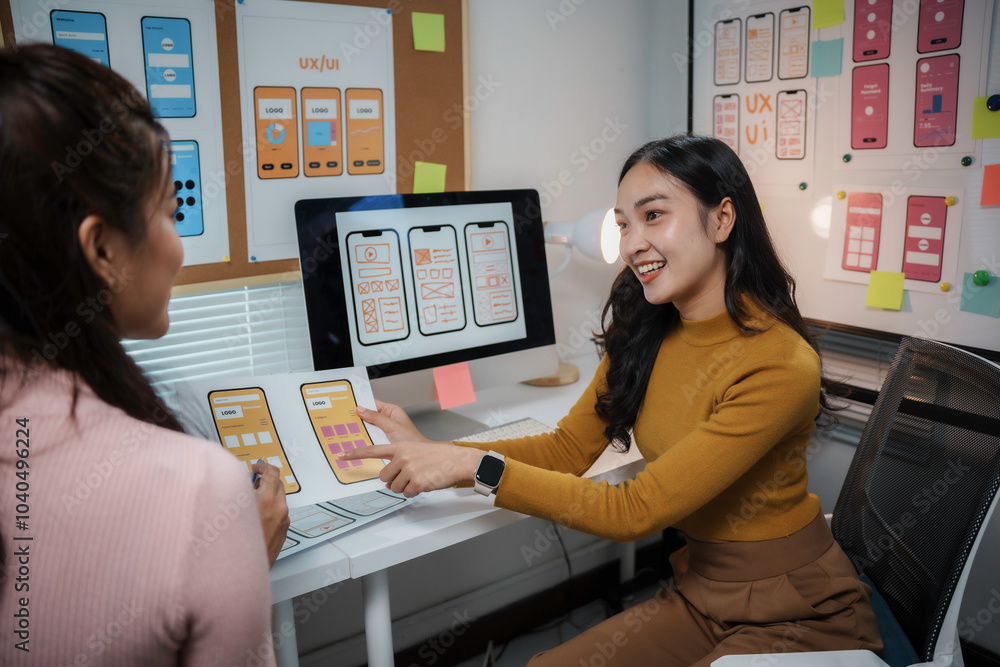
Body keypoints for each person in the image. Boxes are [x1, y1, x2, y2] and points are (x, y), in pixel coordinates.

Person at [342, 135, 884, 665]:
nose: (630, 244)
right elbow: (566, 450)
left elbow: (635, 510)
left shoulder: (778, 363)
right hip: (702, 591)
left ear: (721, 219)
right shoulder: (647, 330)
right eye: (623, 223)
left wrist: (472, 466)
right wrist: (437, 452)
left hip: (797, 614)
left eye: (653, 216)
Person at [0, 44, 288, 665]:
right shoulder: (197, 491)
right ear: (101, 249)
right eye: (170, 211)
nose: (180, 248)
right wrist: (234, 558)